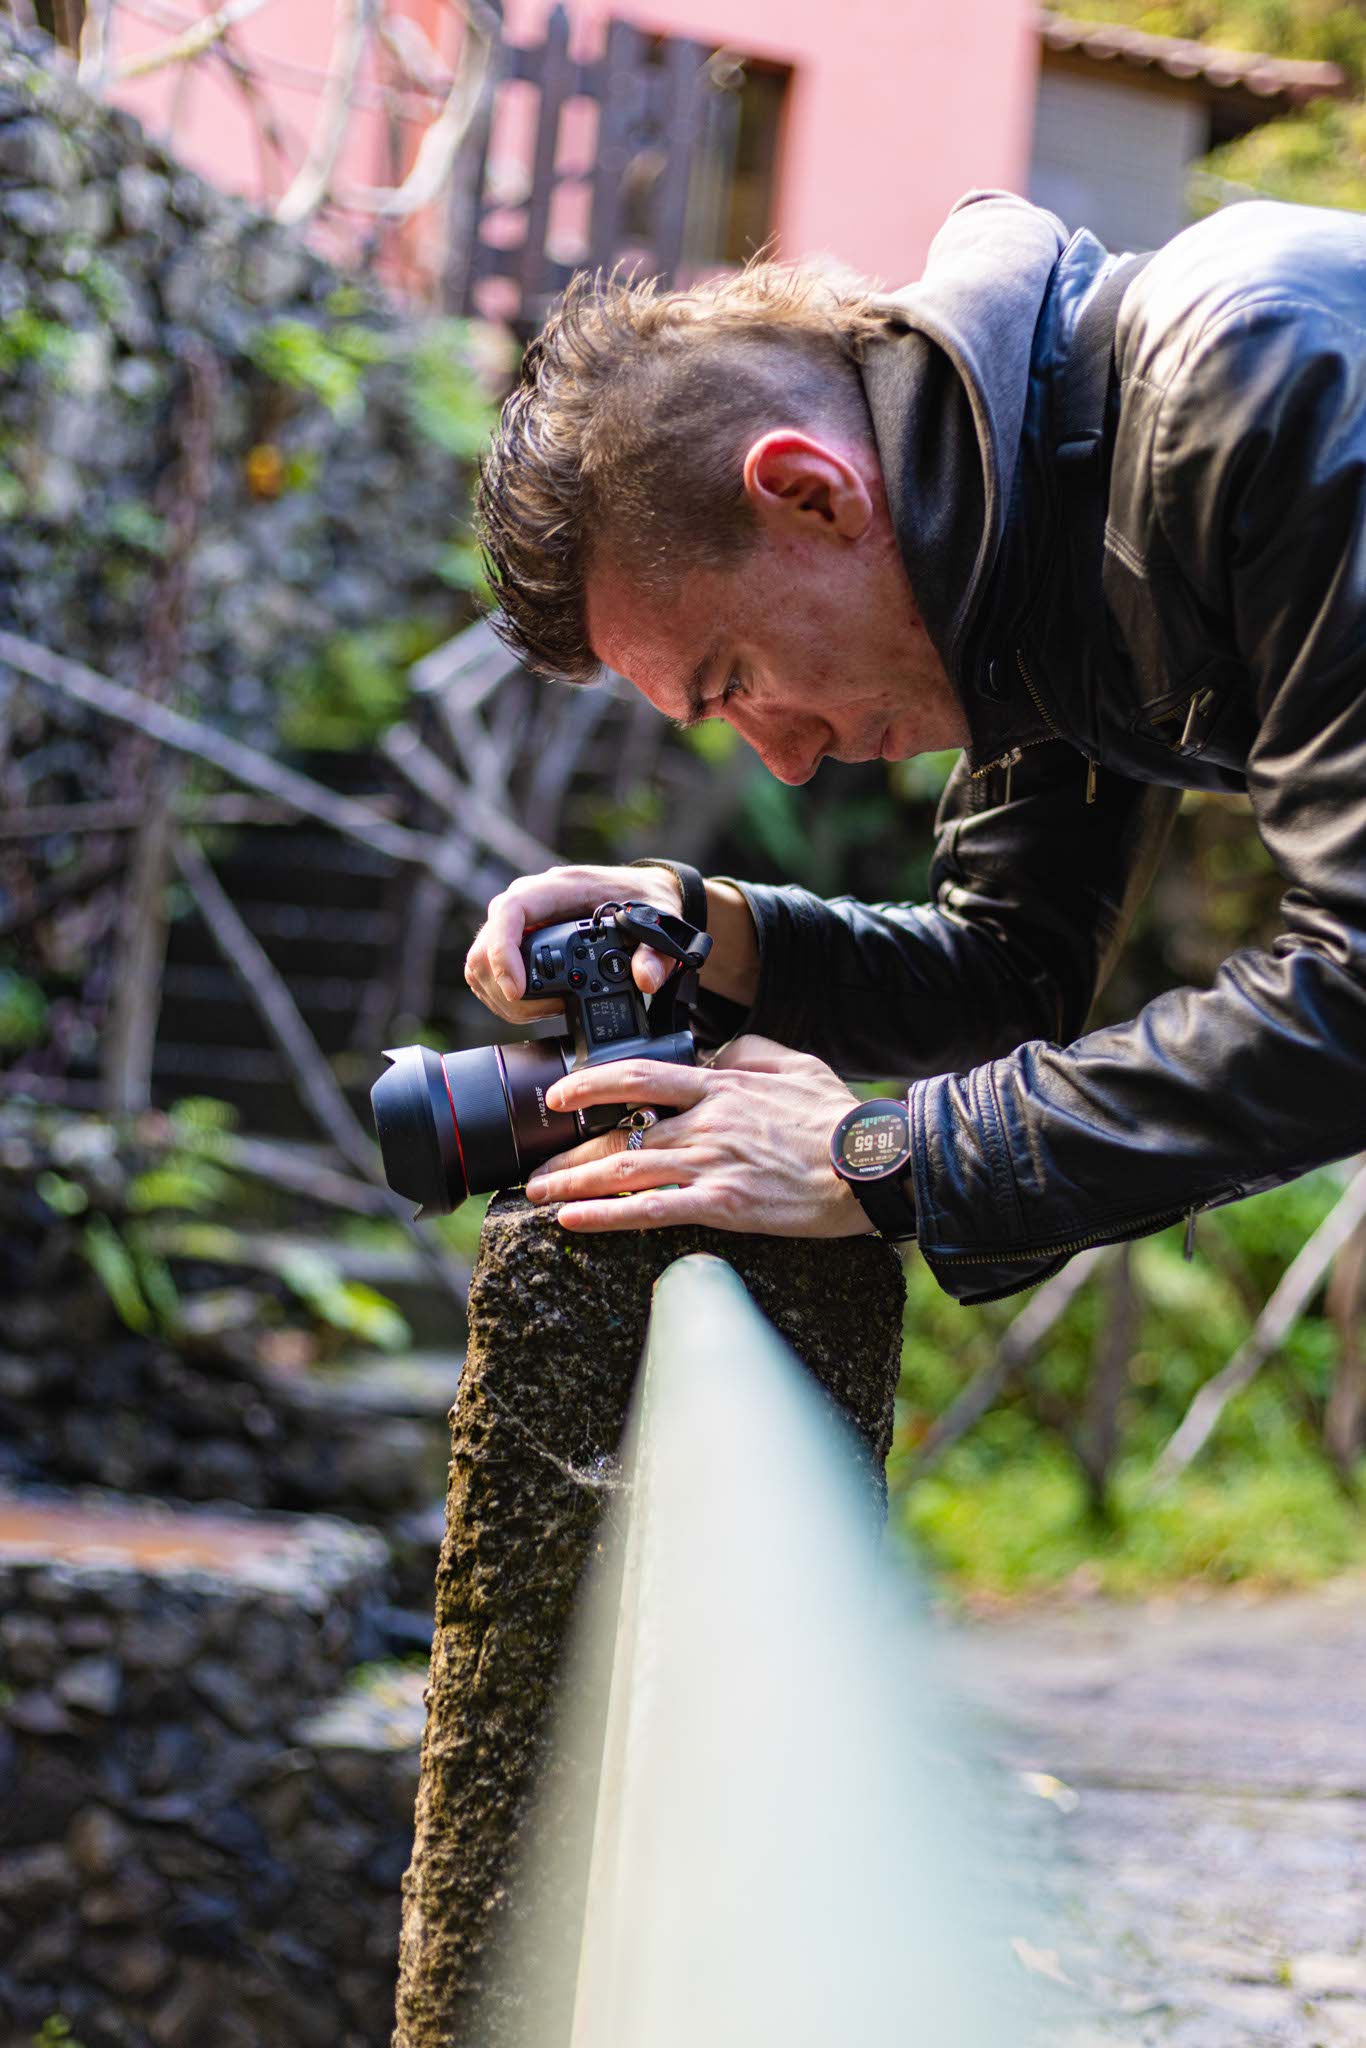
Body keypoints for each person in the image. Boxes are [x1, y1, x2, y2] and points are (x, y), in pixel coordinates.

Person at [462, 188, 1366, 1304]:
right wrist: (706, 931)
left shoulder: (1262, 379)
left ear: (809, 494)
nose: (784, 760)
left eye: (734, 679)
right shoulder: (1020, 531)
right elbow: (1008, 975)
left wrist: (876, 1155)